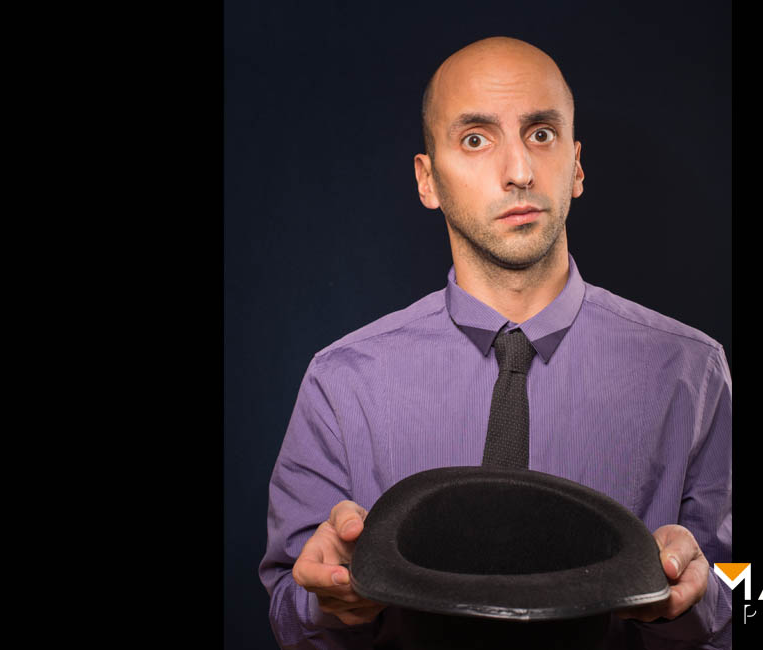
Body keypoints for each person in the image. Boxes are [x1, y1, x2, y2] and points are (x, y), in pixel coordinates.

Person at [259, 36, 732, 649]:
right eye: (476, 140)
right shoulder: (342, 382)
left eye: (542, 134)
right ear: (428, 180)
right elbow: (287, 609)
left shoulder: (693, 371)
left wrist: (703, 595)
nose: (519, 172)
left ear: (576, 166)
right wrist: (327, 599)